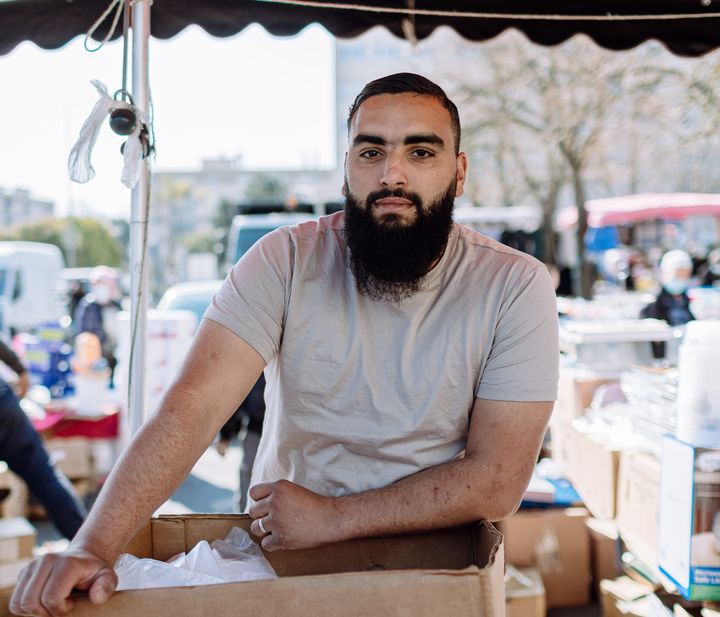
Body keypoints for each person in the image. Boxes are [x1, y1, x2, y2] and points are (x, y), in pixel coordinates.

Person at [11, 73, 559, 616]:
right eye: (371, 152)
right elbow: (192, 409)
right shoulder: (284, 259)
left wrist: (335, 517)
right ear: (347, 167)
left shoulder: (515, 284)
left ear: (458, 172)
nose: (393, 175)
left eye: (421, 152)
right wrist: (91, 547)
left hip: (437, 570)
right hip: (280, 564)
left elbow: (497, 479)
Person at [0, 338, 85, 541]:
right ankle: (89, 546)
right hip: (4, 403)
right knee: (46, 478)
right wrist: (20, 369)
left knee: (46, 478)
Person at [215, 374, 266, 512]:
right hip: (255, 429)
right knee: (248, 477)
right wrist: (226, 435)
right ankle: (243, 519)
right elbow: (238, 397)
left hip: (287, 432)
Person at [73, 267, 122, 387]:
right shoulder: (88, 306)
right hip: (96, 360)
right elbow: (84, 334)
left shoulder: (116, 306)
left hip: (115, 356)